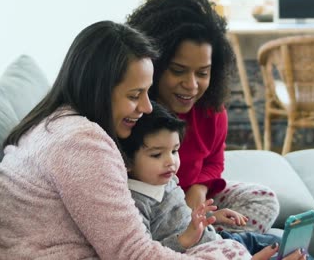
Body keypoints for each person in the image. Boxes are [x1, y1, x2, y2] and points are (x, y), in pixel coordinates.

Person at [0, 20, 302, 260]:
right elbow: (133, 254)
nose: (146, 108)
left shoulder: (56, 125)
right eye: (135, 95)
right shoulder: (80, 143)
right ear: (99, 89)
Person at [127, 0, 280, 234]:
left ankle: (208, 238)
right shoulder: (134, 110)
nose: (192, 85)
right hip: (152, 207)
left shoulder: (211, 110)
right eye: (178, 70)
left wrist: (199, 188)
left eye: (202, 73)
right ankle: (202, 240)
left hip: (194, 202)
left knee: (263, 199)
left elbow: (214, 161)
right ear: (154, 64)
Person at [119, 101, 281, 255]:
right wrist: (184, 240)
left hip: (218, 239)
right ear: (127, 161)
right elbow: (147, 253)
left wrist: (211, 219)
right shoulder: (134, 204)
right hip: (201, 253)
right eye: (156, 155)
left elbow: (183, 218)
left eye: (175, 151)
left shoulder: (169, 180)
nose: (171, 162)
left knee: (280, 242)